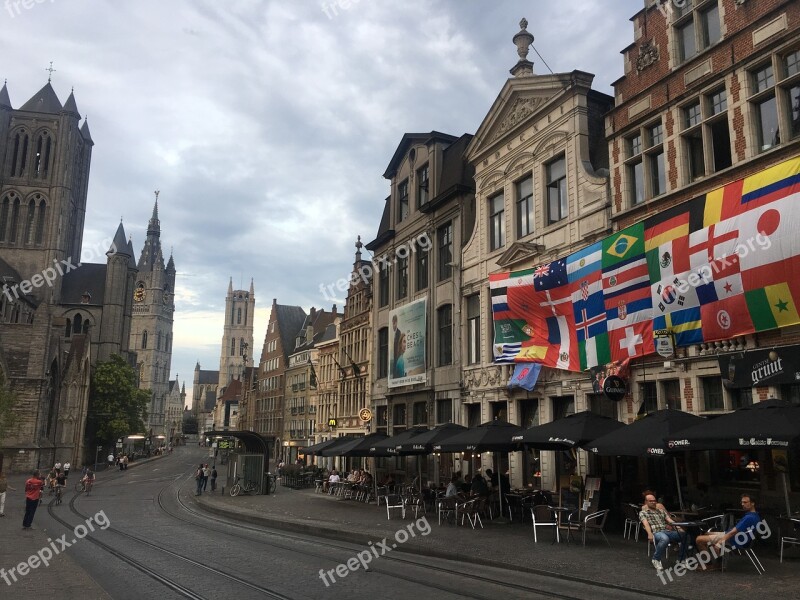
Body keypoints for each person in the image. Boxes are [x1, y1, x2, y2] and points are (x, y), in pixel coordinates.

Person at [695, 493, 762, 570]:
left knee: (699, 539)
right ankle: (719, 562)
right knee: (706, 533)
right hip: (737, 537)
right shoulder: (755, 515)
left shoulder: (749, 518)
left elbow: (732, 533)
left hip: (733, 539)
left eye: (745, 502)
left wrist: (719, 543)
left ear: (753, 503)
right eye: (742, 502)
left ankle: (708, 565)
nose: (743, 504)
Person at [639, 490, 686, 571]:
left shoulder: (661, 511)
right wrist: (649, 534)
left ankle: (681, 560)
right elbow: (646, 524)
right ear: (646, 502)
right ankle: (656, 559)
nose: (653, 502)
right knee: (665, 539)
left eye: (654, 501)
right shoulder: (643, 513)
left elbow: (670, 520)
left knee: (685, 535)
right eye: (651, 501)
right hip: (657, 532)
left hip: (667, 531)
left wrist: (678, 527)